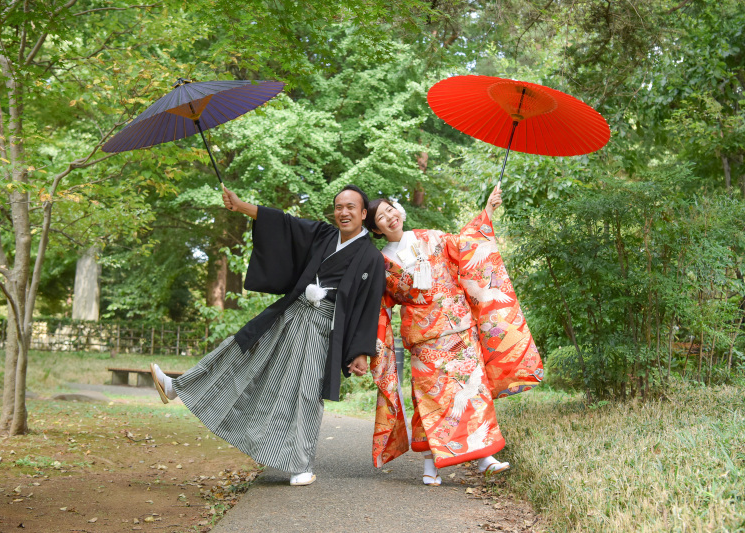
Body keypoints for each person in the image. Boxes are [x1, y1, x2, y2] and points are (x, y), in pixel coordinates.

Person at [150, 184, 386, 486]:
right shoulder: (325, 235)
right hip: (291, 312)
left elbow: (369, 308)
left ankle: (301, 463)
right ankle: (178, 387)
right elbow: (284, 223)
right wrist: (240, 205)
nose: (343, 212)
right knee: (240, 349)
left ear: (363, 213)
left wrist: (361, 351)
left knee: (305, 391)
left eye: (350, 207)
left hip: (321, 327)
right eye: (339, 206)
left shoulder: (371, 259)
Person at [366, 185, 543, 486]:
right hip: (423, 337)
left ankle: (485, 459)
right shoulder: (380, 263)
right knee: (430, 398)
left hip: (459, 329)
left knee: (474, 392)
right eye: (381, 218)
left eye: (390, 209)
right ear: (376, 229)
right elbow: (379, 305)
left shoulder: (430, 237)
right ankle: (430, 463)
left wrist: (487, 211)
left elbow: (466, 245)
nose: (390, 217)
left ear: (399, 210)